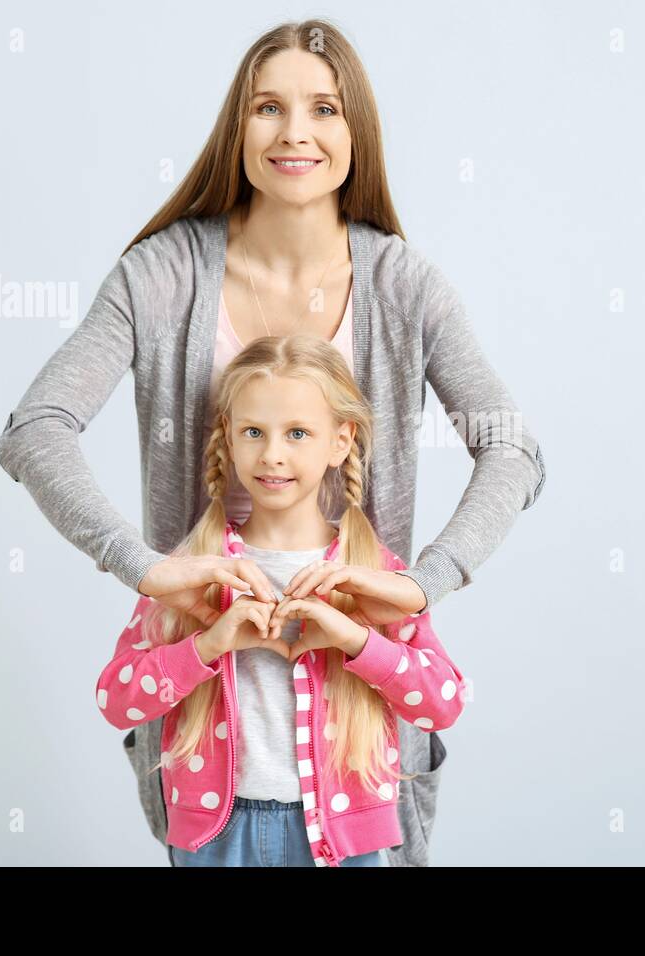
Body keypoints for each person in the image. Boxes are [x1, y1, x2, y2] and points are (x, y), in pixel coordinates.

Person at [0, 18, 544, 866]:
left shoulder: (405, 286)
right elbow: (35, 430)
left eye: (324, 109)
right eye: (268, 108)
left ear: (355, 132)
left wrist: (420, 588)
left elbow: (513, 448)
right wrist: (144, 566)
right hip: (214, 727)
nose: (295, 133)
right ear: (236, 128)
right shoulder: (162, 275)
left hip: (357, 734)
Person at [97, 335, 466, 866]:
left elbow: (443, 702)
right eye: (253, 432)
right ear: (228, 435)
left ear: (341, 440)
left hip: (343, 841)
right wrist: (207, 646)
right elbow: (116, 700)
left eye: (297, 433)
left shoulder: (376, 573)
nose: (272, 454)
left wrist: (356, 641)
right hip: (215, 839)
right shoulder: (190, 569)